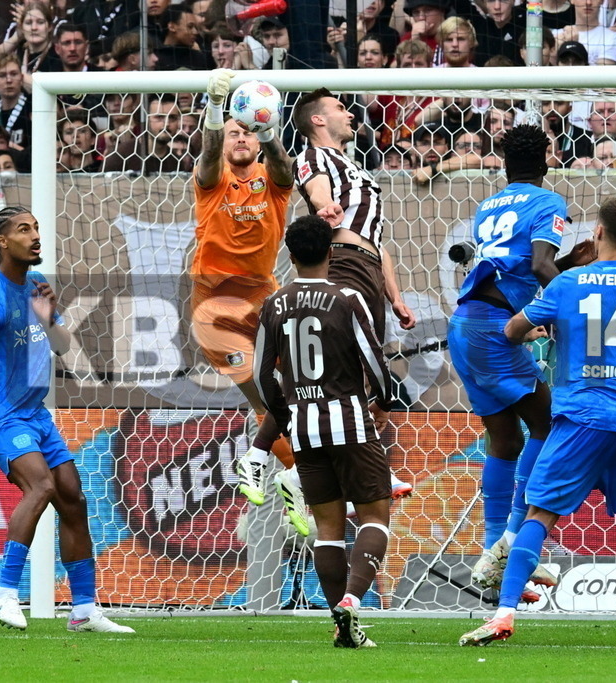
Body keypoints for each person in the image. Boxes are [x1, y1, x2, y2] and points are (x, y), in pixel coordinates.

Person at [458, 198, 616, 647]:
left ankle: (505, 612)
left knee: (539, 512)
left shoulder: (568, 282)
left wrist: (542, 329)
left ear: (599, 233)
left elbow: (512, 330)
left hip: (580, 415)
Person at [0, 206, 135, 635]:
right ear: (2, 241)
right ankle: (4, 593)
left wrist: (47, 314)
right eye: (24, 230)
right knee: (41, 485)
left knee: (73, 498)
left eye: (36, 228)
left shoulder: (35, 289)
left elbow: (61, 345)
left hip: (36, 415)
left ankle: (83, 608)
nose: (35, 236)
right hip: (3, 417)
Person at [445, 124, 590, 592]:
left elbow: (516, 268)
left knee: (504, 441)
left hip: (467, 323)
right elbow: (540, 266)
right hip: (493, 330)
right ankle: (511, 546)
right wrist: (573, 297)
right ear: (547, 160)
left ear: (505, 164)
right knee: (551, 425)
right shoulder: (548, 203)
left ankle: (496, 556)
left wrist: (568, 266)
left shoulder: (487, 206)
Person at [254, 214, 395, 648]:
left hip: (305, 431)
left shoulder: (274, 304)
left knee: (328, 530)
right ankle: (352, 601)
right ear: (331, 254)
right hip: (351, 424)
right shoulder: (347, 297)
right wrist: (383, 402)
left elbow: (262, 376)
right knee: (375, 518)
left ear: (291, 256)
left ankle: (341, 626)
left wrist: (286, 411)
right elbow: (375, 362)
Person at [291, 88, 417, 514]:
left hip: (367, 266)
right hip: (341, 264)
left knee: (368, 375)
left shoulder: (356, 167)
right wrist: (325, 207)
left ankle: (360, 469)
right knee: (350, 370)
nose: (348, 114)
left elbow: (378, 240)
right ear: (318, 120)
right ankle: (311, 469)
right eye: (340, 108)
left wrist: (395, 296)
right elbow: (317, 188)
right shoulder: (315, 157)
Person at [188, 69, 298, 520]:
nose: (240, 138)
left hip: (264, 299)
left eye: (248, 132)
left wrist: (269, 133)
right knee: (261, 397)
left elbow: (286, 167)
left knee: (295, 391)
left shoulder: (273, 182)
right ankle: (284, 470)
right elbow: (210, 153)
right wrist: (216, 112)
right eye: (234, 131)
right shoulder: (211, 181)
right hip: (215, 309)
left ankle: (295, 476)